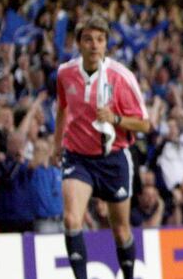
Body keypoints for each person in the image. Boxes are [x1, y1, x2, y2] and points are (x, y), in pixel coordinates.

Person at [54, 15, 151, 279]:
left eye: (100, 39)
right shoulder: (65, 73)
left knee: (120, 230)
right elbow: (62, 107)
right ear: (78, 44)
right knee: (72, 220)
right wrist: (56, 145)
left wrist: (116, 119)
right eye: (88, 39)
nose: (94, 45)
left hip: (113, 158)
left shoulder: (121, 77)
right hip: (78, 157)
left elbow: (145, 125)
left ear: (106, 44)